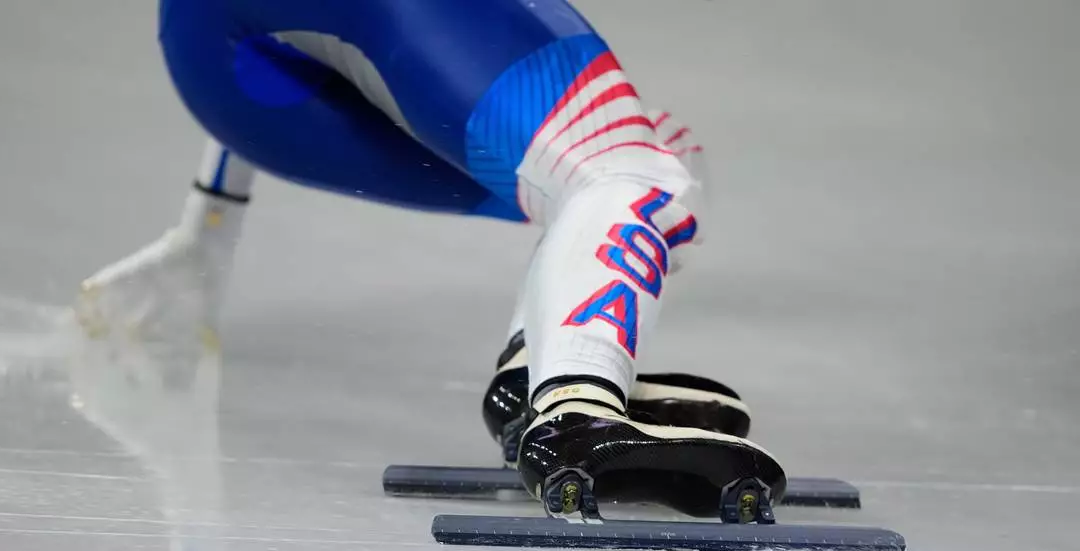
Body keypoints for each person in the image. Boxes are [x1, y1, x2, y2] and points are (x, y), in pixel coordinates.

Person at [76, 0, 786, 517]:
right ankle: (576, 411)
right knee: (637, 174)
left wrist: (207, 229)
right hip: (307, 40)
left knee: (642, 169)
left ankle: (538, 373)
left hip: (232, 71)